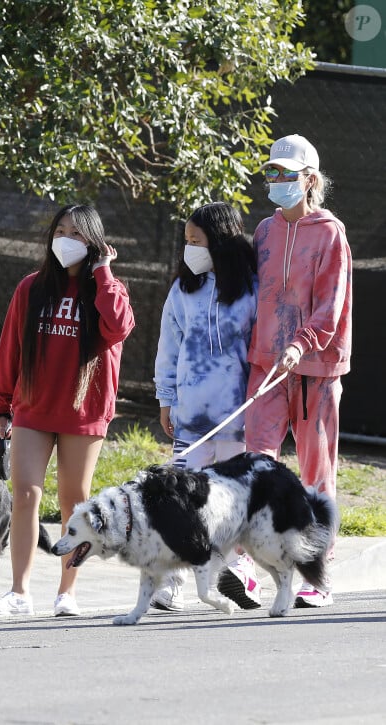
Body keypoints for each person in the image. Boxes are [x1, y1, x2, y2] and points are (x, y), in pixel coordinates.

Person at [0, 204, 135, 618]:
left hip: (84, 413)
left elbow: (119, 326)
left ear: (95, 242)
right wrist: (1, 405)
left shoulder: (108, 290)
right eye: (60, 230)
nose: (66, 239)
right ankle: (19, 592)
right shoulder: (30, 288)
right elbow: (9, 348)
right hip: (32, 408)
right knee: (25, 494)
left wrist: (103, 272)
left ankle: (67, 593)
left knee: (74, 501)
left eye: (77, 234)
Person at [218, 134, 352, 610]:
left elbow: (330, 307)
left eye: (285, 174)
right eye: (270, 173)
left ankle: (318, 575)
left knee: (317, 473)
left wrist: (300, 345)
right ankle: (245, 568)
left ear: (309, 179)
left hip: (315, 369)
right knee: (256, 463)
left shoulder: (330, 233)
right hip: (265, 368)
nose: (275, 181)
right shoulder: (265, 231)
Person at [151, 201, 258, 611]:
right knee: (183, 500)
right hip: (191, 418)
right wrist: (167, 397)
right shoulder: (182, 289)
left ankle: (239, 574)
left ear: (222, 242)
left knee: (232, 501)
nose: (189, 249)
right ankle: (171, 583)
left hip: (238, 419)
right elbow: (168, 346)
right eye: (186, 242)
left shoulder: (252, 287)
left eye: (197, 241)